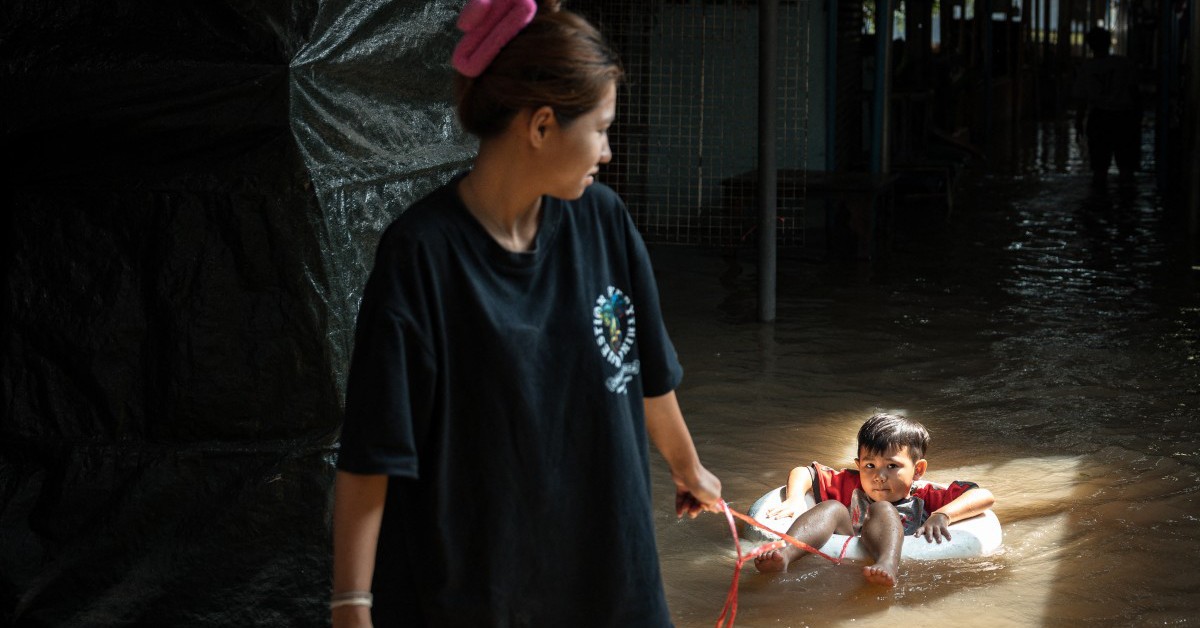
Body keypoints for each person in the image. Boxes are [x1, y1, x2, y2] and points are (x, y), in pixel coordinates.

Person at [329, 1, 723, 626]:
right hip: (479, 592)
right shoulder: (421, 255)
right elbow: (373, 451)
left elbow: (643, 372)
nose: (608, 152)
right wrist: (352, 603)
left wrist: (690, 469)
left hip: (613, 578)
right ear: (540, 126)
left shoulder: (605, 223)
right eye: (599, 128)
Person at [752, 413, 995, 587]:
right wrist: (795, 499)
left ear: (918, 470)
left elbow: (983, 496)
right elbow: (804, 472)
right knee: (833, 507)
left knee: (882, 509)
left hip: (898, 550)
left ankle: (888, 563)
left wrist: (942, 514)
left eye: (892, 466)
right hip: (850, 539)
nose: (879, 476)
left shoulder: (926, 495)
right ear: (858, 465)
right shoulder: (853, 483)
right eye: (869, 465)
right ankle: (785, 555)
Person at [1072, 27, 1141, 188]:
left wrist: (1078, 123)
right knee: (1126, 168)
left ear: (1090, 45)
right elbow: (1135, 94)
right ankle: (1125, 203)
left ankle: (1099, 203)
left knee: (1099, 169)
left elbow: (1082, 100)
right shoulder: (1124, 64)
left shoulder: (1086, 68)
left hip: (1099, 118)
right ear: (1109, 42)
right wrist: (1137, 119)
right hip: (1123, 118)